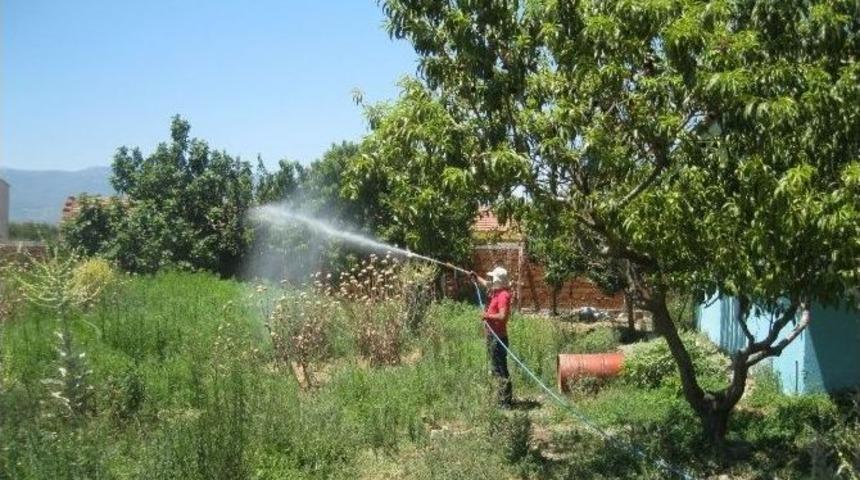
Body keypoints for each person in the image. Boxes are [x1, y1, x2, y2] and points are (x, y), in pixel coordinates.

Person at [470, 266, 513, 408]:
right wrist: (476, 278)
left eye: (493, 278)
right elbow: (486, 284)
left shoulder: (503, 296)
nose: (490, 280)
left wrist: (486, 315)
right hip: (492, 337)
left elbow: (502, 316)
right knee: (496, 369)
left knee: (500, 369)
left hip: (498, 338)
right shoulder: (497, 291)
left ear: (498, 280)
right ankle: (501, 398)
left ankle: (505, 402)